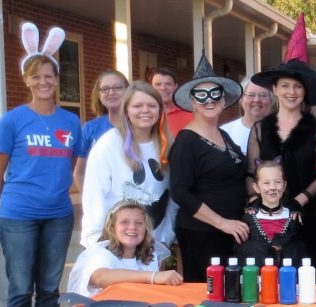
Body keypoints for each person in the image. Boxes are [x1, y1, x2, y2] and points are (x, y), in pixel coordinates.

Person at [0, 22, 80, 307]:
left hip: (58, 215)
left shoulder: (70, 121)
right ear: (26, 80)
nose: (43, 82)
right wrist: (2, 207)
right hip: (17, 216)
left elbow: (70, 166)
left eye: (49, 76)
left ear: (57, 80)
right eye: (36, 76)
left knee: (49, 287)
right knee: (20, 287)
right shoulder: (12, 121)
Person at [247, 58, 316, 277]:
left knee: (306, 278)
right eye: (285, 85)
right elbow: (250, 173)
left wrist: (298, 201)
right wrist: (256, 203)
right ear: (275, 89)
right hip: (265, 217)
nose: (291, 92)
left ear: (305, 91)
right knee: (265, 278)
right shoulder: (259, 129)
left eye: (298, 86)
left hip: (305, 216)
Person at [168, 54, 247, 283]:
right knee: (209, 293)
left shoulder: (223, 134)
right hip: (202, 234)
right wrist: (222, 223)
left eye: (215, 94)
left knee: (231, 291)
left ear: (223, 101)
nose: (209, 101)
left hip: (230, 233)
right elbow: (180, 192)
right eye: (201, 96)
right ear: (193, 103)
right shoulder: (186, 141)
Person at [80, 81, 177, 256]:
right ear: (126, 111)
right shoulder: (108, 145)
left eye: (151, 105)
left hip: (153, 246)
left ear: (160, 110)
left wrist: (165, 239)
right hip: (114, 244)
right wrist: (98, 242)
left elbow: (173, 198)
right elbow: (94, 196)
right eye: (137, 106)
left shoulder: (169, 146)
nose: (145, 110)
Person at [235, 161, 307, 266]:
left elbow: (300, 254)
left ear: (284, 185)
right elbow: (240, 254)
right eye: (266, 183)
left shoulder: (294, 218)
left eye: (277, 182)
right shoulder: (248, 219)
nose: (272, 187)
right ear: (256, 187)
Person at [74, 70, 129, 190]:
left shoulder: (139, 126)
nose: (111, 92)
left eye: (117, 87)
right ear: (99, 96)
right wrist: (89, 199)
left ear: (127, 91)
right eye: (105, 89)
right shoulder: (90, 128)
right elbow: (79, 173)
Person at [221, 77, 273, 153]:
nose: (257, 100)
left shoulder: (285, 131)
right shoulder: (225, 132)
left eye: (263, 95)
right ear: (241, 99)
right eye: (251, 95)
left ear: (271, 100)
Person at [150, 67, 194, 135]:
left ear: (175, 87)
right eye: (158, 84)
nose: (163, 88)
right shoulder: (145, 114)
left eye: (168, 84)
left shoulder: (191, 113)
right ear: (151, 88)